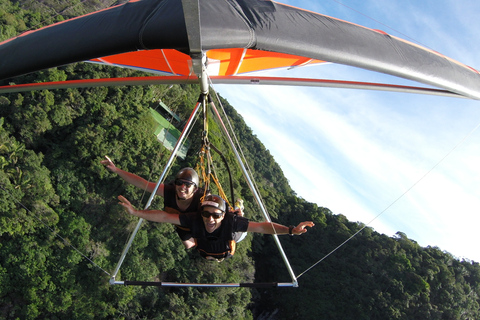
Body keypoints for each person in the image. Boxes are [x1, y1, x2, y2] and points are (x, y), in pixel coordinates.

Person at [118, 194, 315, 262]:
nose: (210, 219)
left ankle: (239, 208)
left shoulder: (231, 222)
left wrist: (291, 230)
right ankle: (237, 208)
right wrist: (136, 212)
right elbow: (164, 216)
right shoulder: (195, 219)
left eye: (216, 215)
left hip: (232, 238)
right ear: (200, 213)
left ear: (223, 215)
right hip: (205, 245)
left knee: (242, 221)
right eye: (206, 214)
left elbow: (263, 227)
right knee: (179, 223)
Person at [101, 155, 207, 249]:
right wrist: (116, 170)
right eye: (179, 183)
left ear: (195, 189)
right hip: (180, 223)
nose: (182, 187)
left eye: (188, 185)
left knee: (192, 243)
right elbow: (143, 184)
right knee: (187, 243)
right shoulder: (170, 191)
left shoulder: (202, 201)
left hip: (197, 225)